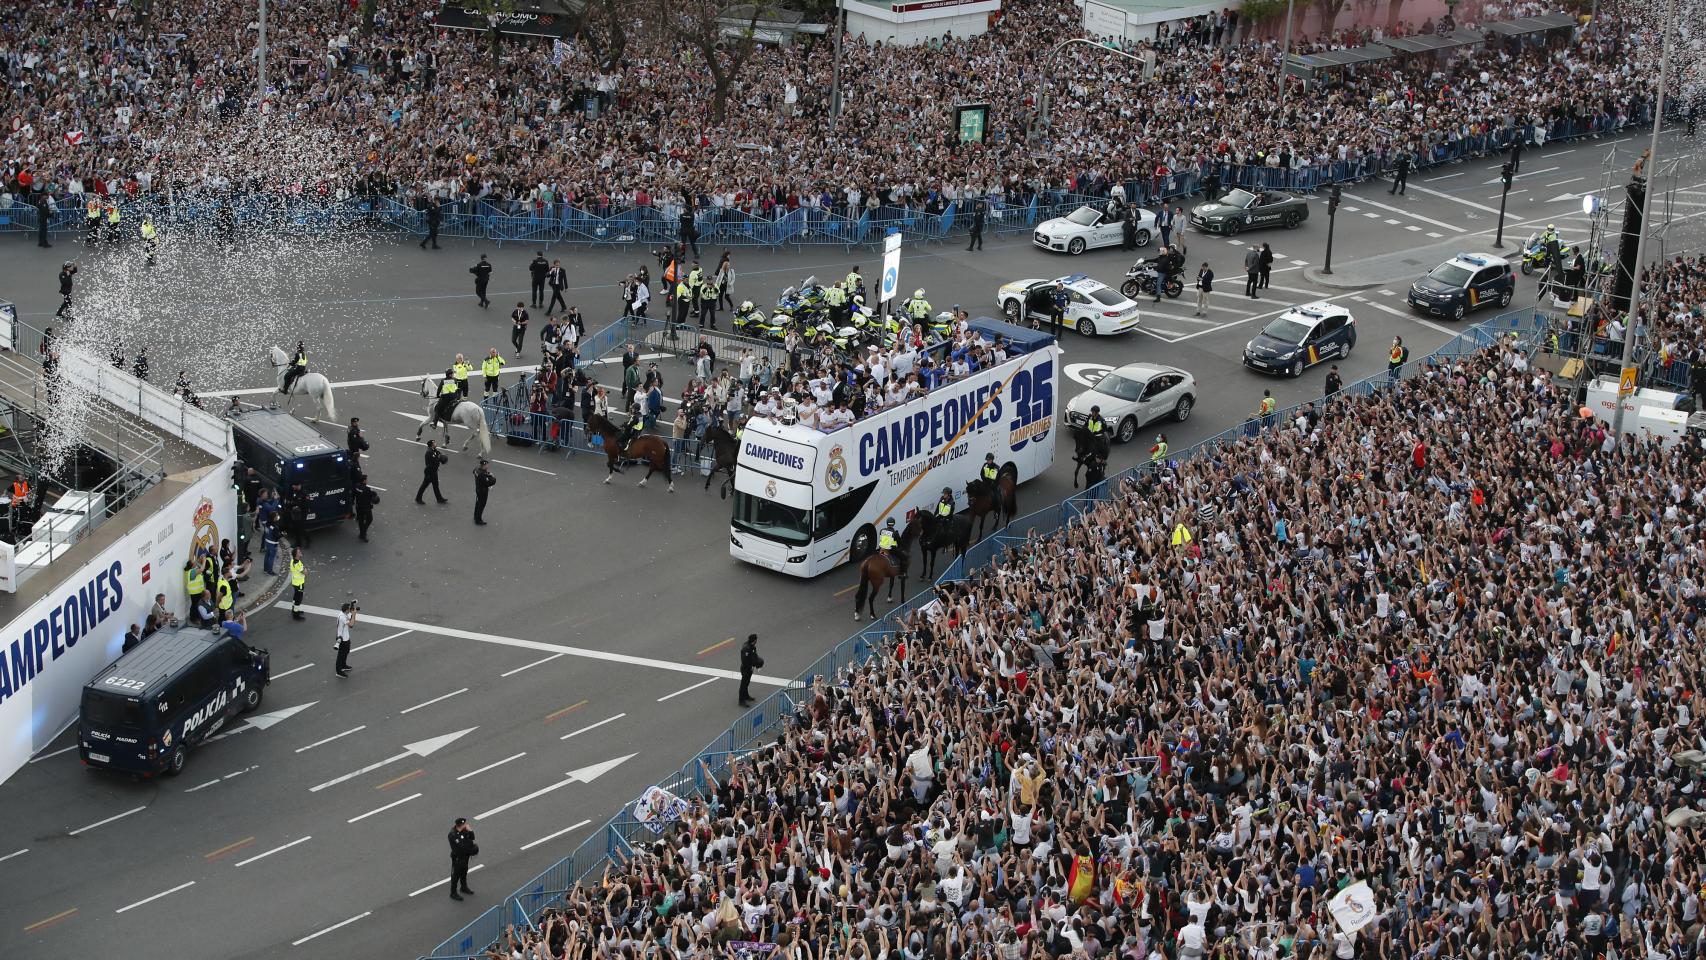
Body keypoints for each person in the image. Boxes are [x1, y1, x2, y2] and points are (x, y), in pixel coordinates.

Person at [447, 818, 478, 901]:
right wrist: (472, 850)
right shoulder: (453, 835)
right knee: (455, 876)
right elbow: (462, 847)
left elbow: (472, 838)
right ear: (460, 825)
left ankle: (463, 887)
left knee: (464, 871)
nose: (466, 825)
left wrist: (470, 830)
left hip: (465, 857)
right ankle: (453, 893)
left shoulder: (465, 830)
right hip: (458, 858)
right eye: (464, 824)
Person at [417, 439, 450, 504]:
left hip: (434, 471)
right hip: (429, 472)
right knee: (424, 485)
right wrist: (440, 459)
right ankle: (418, 498)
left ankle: (439, 498)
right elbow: (435, 460)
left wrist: (442, 456)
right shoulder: (429, 452)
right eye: (434, 443)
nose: (436, 443)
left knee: (435, 485)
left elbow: (438, 455)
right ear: (431, 445)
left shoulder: (434, 450)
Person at [738, 634, 763, 707]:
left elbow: (754, 656)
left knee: (747, 683)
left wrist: (758, 663)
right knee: (743, 684)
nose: (756, 641)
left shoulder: (752, 647)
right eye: (756, 640)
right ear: (754, 640)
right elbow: (744, 661)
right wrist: (750, 666)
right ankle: (741, 700)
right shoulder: (746, 648)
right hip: (746, 669)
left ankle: (746, 696)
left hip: (750, 668)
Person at [354, 477, 379, 542]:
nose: (367, 481)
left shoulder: (356, 487)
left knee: (361, 521)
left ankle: (362, 533)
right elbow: (374, 494)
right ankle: (363, 532)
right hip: (366, 508)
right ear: (364, 481)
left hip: (358, 506)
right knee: (369, 519)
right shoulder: (367, 489)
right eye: (366, 480)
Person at [334, 601, 355, 677]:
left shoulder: (345, 614)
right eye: (349, 609)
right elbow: (351, 625)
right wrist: (354, 614)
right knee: (341, 655)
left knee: (346, 651)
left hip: (346, 637)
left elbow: (351, 619)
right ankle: (338, 671)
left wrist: (352, 614)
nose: (350, 610)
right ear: (346, 610)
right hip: (341, 638)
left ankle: (343, 665)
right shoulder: (342, 617)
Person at [473, 459, 495, 525]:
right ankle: (478, 520)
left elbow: (474, 471)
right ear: (484, 465)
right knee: (481, 505)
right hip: (483, 492)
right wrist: (493, 477)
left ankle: (475, 516)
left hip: (478, 489)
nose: (488, 466)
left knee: (477, 503)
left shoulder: (477, 469)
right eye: (487, 465)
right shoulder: (482, 474)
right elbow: (489, 482)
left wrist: (487, 474)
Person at [288, 548, 306, 621]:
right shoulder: (298, 564)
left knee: (296, 597)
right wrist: (305, 569)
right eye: (299, 552)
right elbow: (305, 572)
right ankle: (296, 614)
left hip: (295, 582)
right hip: (299, 583)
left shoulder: (292, 561)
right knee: (299, 599)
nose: (300, 552)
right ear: (296, 555)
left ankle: (294, 609)